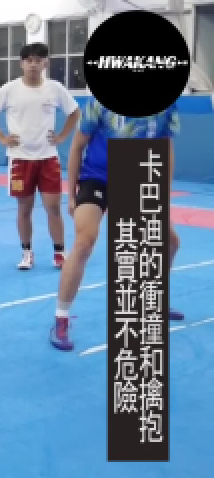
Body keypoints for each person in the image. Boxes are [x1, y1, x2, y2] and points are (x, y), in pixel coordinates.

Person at [51, 99, 185, 352]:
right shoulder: (99, 104)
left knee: (170, 242)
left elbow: (166, 149)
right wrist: (71, 195)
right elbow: (77, 146)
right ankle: (61, 318)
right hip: (96, 179)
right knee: (84, 241)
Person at [0, 43, 81, 270]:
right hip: (20, 159)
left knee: (53, 208)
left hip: (48, 158)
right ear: (21, 63)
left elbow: (75, 112)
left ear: (46, 63)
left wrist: (62, 136)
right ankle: (26, 253)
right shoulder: (9, 89)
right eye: (29, 60)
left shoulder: (55, 88)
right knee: (24, 209)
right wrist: (1, 138)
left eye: (38, 60)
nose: (33, 65)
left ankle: (59, 252)